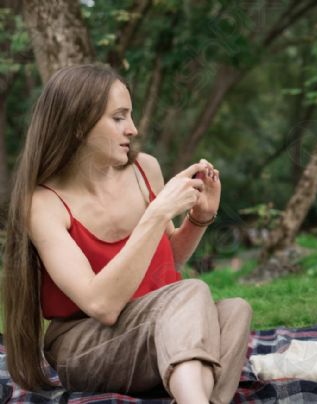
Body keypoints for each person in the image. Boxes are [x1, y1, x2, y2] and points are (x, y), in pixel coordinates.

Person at [2, 64, 252, 404]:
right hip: (85, 345)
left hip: (151, 326)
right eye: (119, 118)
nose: (133, 129)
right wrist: (158, 212)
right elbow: (100, 304)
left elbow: (165, 261)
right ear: (77, 125)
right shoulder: (43, 203)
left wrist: (198, 218)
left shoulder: (144, 169)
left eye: (130, 116)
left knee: (235, 310)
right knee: (191, 292)